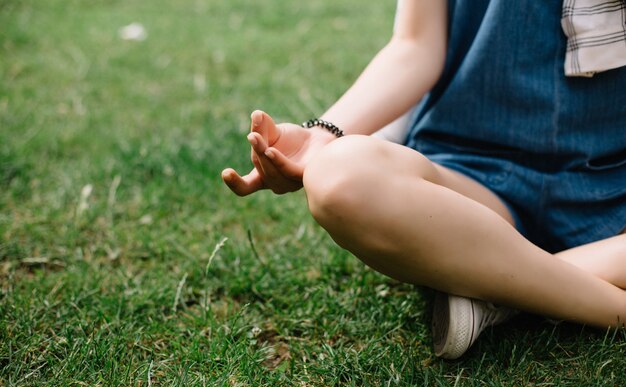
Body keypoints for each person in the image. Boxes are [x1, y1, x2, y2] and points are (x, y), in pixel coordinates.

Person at [222, 0, 626, 359]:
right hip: (472, 177)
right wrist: (323, 135)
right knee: (340, 177)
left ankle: (505, 292)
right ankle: (609, 307)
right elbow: (415, 46)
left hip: (616, 186)